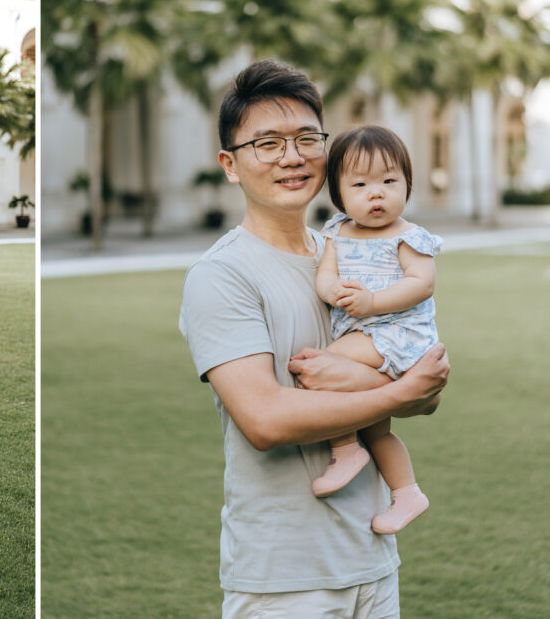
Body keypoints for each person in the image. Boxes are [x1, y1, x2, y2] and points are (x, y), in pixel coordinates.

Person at [178, 60, 449, 618]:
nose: (292, 156)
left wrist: (409, 386)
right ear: (231, 164)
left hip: (373, 561)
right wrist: (399, 393)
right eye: (268, 143)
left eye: (306, 138)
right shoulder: (222, 275)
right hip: (285, 579)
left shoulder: (355, 253)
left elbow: (427, 387)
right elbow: (266, 421)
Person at [311, 125, 441, 535]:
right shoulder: (337, 232)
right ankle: (407, 493)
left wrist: (371, 303)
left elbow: (422, 283)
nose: (377, 193)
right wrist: (333, 290)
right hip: (365, 334)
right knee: (377, 426)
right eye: (361, 184)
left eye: (389, 180)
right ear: (339, 193)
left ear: (407, 183)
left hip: (398, 333)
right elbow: (325, 275)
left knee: (321, 367)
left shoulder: (407, 236)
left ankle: (344, 448)